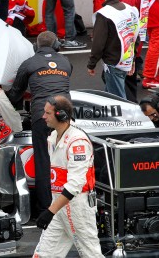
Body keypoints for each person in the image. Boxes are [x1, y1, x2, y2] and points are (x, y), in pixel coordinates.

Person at [7, 31, 72, 215]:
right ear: (57, 45)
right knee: (67, 160)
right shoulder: (66, 62)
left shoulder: (28, 63)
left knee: (44, 162)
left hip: (42, 116)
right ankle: (68, 203)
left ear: (36, 47)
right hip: (65, 115)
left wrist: (1, 95)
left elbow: (15, 94)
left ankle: (45, 208)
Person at [33, 95, 103, 257]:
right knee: (43, 255)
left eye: (48, 113)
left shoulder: (77, 142)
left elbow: (75, 185)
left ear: (61, 116)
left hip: (77, 207)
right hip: (58, 205)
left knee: (91, 254)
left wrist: (50, 211)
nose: (43, 117)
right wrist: (53, 209)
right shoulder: (52, 137)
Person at [87, 0, 139, 99]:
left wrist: (91, 64)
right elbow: (135, 36)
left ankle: (127, 118)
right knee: (110, 97)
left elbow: (98, 44)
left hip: (113, 63)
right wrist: (133, 59)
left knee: (118, 101)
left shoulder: (104, 14)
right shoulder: (130, 9)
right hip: (126, 59)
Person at [115, 0, 149, 102]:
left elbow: (124, 19)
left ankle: (129, 110)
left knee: (123, 78)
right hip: (137, 36)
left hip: (129, 40)